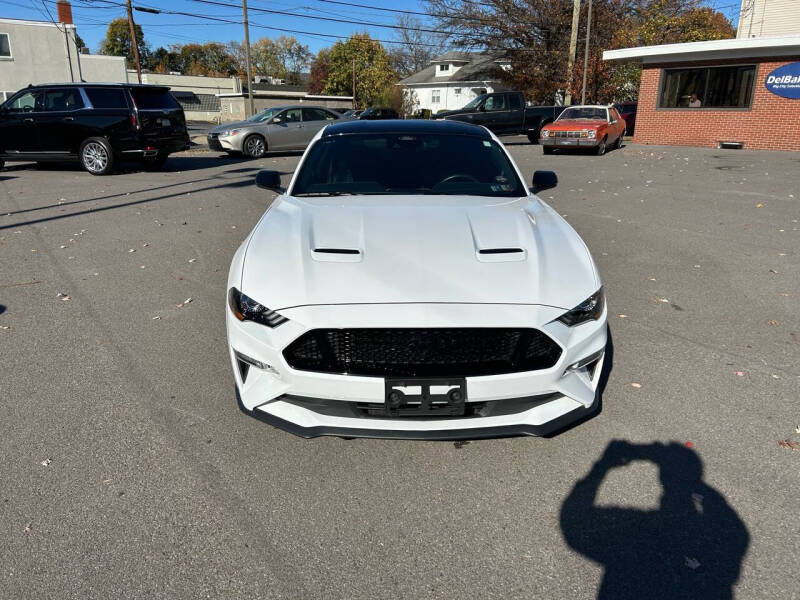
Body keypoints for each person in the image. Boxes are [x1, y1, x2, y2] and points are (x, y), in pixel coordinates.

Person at [561, 441, 749, 600]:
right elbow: (728, 525)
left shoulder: (634, 529)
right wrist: (697, 487)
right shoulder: (723, 537)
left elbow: (574, 522)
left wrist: (601, 467)